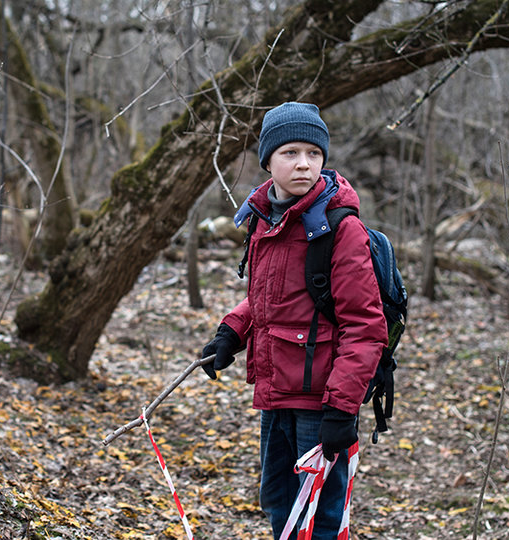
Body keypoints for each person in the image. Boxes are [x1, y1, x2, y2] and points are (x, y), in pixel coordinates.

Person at [200, 101, 388, 539]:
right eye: (290, 153)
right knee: (280, 502)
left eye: (313, 153)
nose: (303, 163)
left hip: (321, 402)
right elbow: (270, 300)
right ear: (268, 160)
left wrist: (341, 409)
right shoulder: (266, 218)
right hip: (275, 392)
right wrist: (231, 332)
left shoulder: (341, 228)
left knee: (320, 517)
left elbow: (365, 326)